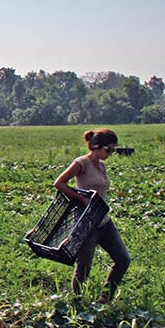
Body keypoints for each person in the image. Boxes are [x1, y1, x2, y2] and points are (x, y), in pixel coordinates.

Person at [54, 128, 131, 302]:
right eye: (108, 150)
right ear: (96, 146)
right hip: (86, 223)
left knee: (123, 259)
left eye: (113, 150)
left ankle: (105, 298)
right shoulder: (82, 163)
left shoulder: (101, 165)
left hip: (103, 221)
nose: (110, 153)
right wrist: (81, 198)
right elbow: (59, 183)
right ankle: (77, 302)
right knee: (84, 268)